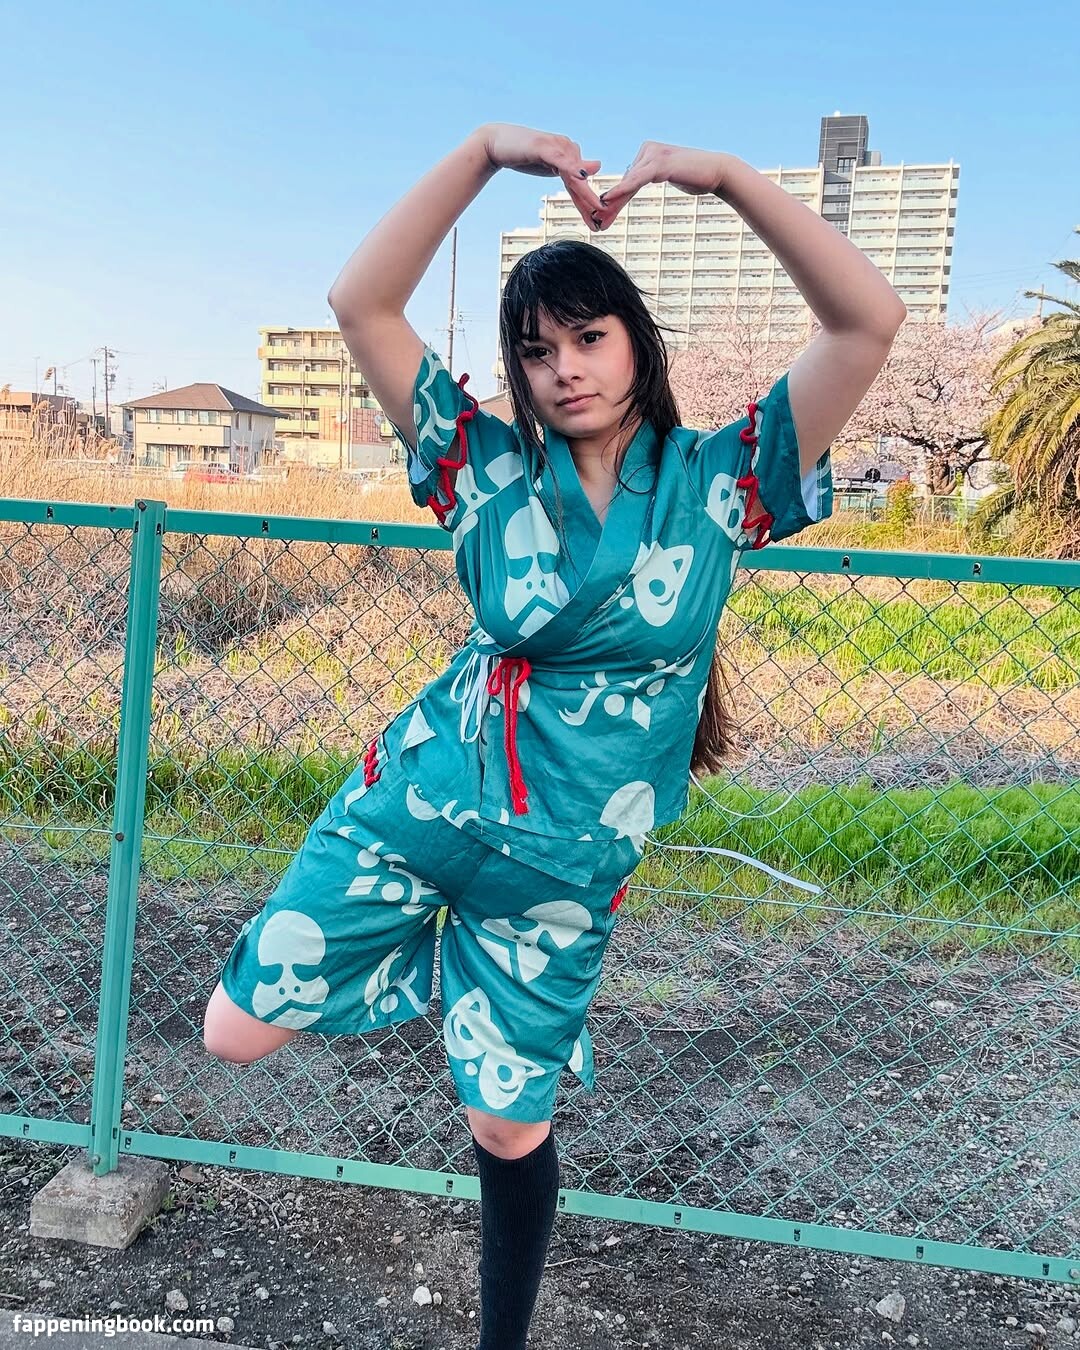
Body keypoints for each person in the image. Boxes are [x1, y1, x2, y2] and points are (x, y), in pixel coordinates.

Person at [203, 122, 906, 1349]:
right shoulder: (477, 467)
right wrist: (484, 154)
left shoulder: (725, 479)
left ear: (638, 340)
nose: (566, 369)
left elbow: (867, 322)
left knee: (507, 1125)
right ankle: (451, 966)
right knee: (232, 1033)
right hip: (415, 812)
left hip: (565, 869)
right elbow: (361, 302)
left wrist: (728, 179)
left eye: (589, 337)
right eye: (537, 351)